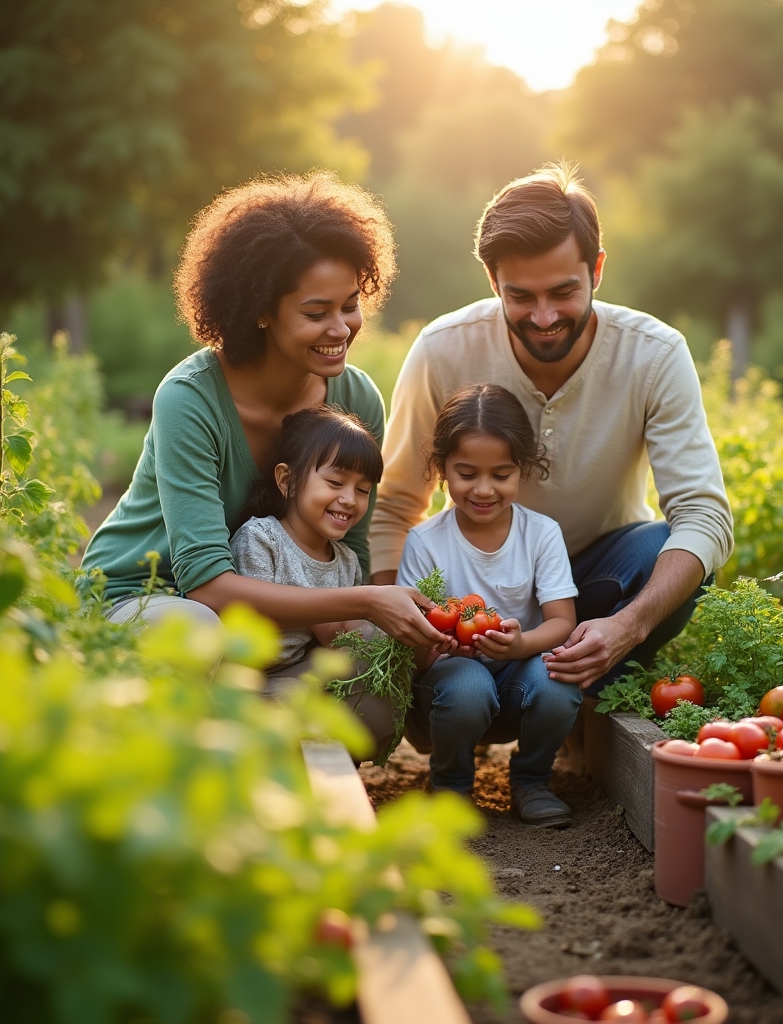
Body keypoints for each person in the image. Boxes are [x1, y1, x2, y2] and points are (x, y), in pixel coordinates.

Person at [370, 161, 733, 704]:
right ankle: (459, 703)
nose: (543, 317)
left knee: (664, 547)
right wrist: (408, 639)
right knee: (458, 690)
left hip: (596, 584)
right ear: (492, 281)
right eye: (520, 296)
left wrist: (629, 626)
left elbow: (704, 515)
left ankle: (584, 694)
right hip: (473, 595)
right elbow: (397, 504)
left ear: (598, 270)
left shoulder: (653, 354)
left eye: (563, 292)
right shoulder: (443, 349)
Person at [82, 172, 448, 653]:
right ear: (261, 311)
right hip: (149, 594)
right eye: (316, 313)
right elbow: (206, 585)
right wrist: (364, 602)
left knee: (372, 697)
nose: (341, 329)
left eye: (351, 305)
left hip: (266, 623)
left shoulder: (355, 401)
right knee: (197, 634)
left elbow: (348, 553)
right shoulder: (190, 399)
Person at [396, 383, 580, 826]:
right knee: (466, 686)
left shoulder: (541, 534)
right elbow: (412, 642)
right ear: (441, 468)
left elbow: (562, 622)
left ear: (523, 469)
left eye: (501, 475)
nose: (483, 490)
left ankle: (533, 780)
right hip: (452, 683)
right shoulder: (425, 541)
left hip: (520, 674)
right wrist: (436, 646)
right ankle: (451, 784)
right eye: (466, 473)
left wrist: (521, 647)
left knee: (558, 685)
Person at [230, 405, 396, 758]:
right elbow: (247, 625)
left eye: (363, 490)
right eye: (335, 483)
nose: (349, 499)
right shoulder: (262, 539)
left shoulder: (346, 561)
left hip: (302, 683)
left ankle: (337, 763)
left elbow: (345, 648)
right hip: (248, 688)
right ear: (287, 480)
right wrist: (323, 618)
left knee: (374, 655)